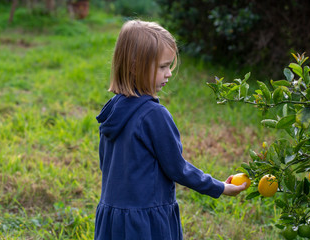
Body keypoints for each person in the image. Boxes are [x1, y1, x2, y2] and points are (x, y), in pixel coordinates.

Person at [94, 20, 247, 240]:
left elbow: (104, 163)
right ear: (136, 66)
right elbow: (178, 168)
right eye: (163, 67)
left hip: (113, 217)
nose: (169, 74)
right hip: (147, 221)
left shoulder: (112, 109)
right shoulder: (154, 115)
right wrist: (220, 187)